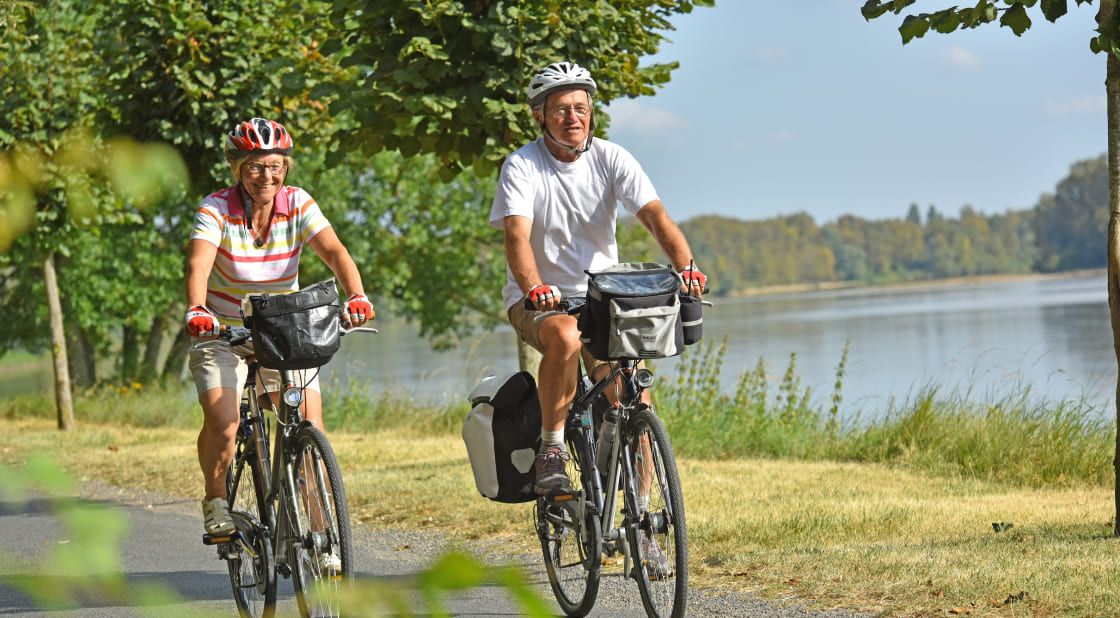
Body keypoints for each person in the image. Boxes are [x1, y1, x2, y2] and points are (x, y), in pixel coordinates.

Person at [489, 61, 708, 503]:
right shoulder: (522, 166)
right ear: (539, 115)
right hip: (539, 301)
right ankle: (552, 450)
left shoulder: (612, 158)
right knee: (566, 337)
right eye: (561, 110)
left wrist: (686, 267)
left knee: (636, 401)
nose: (573, 118)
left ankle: (643, 520)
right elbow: (516, 236)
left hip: (602, 299)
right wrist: (534, 288)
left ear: (591, 111)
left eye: (580, 107)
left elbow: (654, 217)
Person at [184, 118, 373, 561]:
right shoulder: (215, 209)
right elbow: (199, 264)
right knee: (225, 422)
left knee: (307, 428)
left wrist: (357, 294)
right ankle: (216, 502)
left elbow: (335, 252)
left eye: (274, 165)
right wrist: (197, 309)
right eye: (254, 166)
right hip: (222, 327)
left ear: (285, 167)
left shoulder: (299, 203)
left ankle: (322, 535)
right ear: (237, 168)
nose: (266, 176)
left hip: (282, 327)